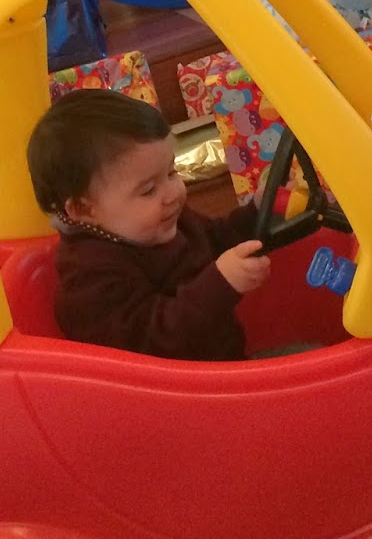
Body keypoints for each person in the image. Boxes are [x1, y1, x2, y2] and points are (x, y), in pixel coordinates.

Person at [27, 89, 267, 361]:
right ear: (84, 209)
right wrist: (219, 284)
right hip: (185, 386)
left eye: (172, 172)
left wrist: (257, 212)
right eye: (149, 189)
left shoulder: (165, 219)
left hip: (227, 364)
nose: (173, 193)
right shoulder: (89, 279)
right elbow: (153, 342)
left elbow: (216, 238)